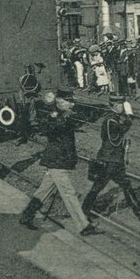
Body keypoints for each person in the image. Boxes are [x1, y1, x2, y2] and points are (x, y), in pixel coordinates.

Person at [19, 88, 104, 236]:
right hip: (56, 160)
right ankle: (83, 226)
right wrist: (63, 117)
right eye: (69, 101)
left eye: (72, 101)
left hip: (62, 159)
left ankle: (27, 215)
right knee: (69, 193)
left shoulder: (68, 114)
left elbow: (84, 119)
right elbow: (47, 128)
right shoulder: (52, 114)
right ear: (59, 101)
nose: (72, 104)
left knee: (44, 190)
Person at [81, 95, 140, 222]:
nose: (122, 107)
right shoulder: (110, 120)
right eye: (121, 105)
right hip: (109, 160)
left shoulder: (114, 118)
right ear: (114, 106)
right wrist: (130, 117)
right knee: (99, 186)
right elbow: (115, 138)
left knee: (125, 185)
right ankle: (84, 211)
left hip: (115, 161)